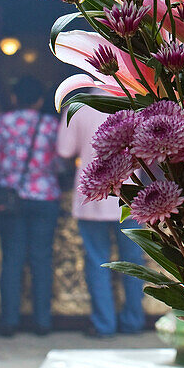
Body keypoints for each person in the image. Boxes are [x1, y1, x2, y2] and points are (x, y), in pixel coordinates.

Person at [0, 76, 63, 337]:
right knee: (41, 258)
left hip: (10, 199)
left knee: (12, 259)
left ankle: (9, 322)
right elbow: (60, 164)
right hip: (45, 197)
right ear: (39, 101)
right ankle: (42, 322)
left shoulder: (0, 123)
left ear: (14, 98)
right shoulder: (51, 125)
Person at [58, 103, 146, 339]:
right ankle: (133, 320)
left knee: (97, 261)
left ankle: (104, 324)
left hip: (92, 198)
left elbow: (65, 151)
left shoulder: (77, 108)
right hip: (130, 198)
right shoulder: (131, 104)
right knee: (134, 263)